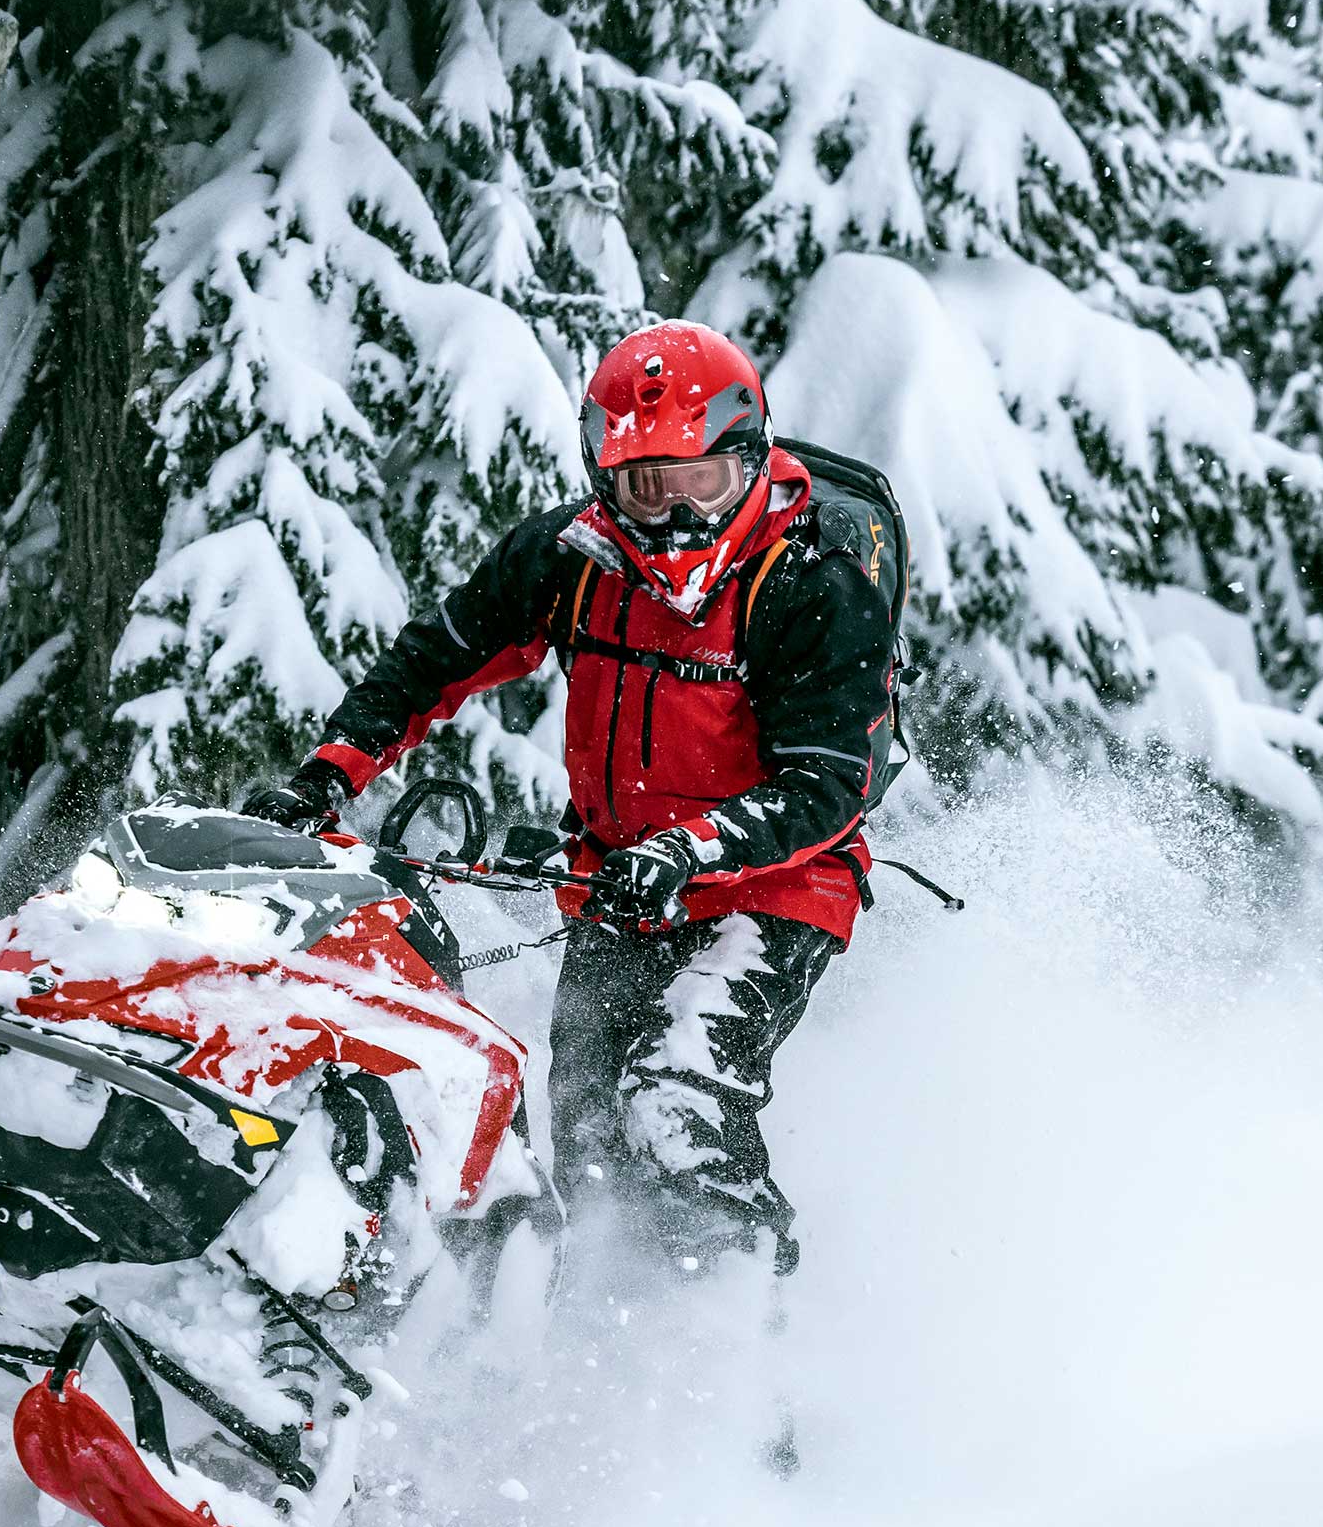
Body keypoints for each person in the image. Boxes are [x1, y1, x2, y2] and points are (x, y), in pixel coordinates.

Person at [243, 320, 897, 1278]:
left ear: (747, 462)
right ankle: (603, 1356)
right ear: (604, 478)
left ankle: (752, 1337)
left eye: (698, 486)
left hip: (774, 886)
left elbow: (834, 780)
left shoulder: (809, 577)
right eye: (644, 489)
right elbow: (435, 662)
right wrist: (326, 778)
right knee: (589, 1133)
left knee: (678, 1099)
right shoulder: (570, 559)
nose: (671, 521)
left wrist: (691, 852)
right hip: (615, 886)